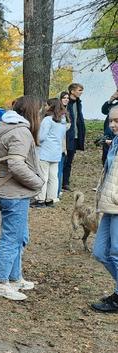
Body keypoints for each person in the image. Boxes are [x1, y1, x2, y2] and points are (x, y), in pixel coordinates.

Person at [0, 96, 44, 301]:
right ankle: (1, 282)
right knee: (12, 239)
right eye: (39, 112)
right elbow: (17, 164)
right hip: (13, 193)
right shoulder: (21, 132)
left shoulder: (6, 127)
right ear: (31, 112)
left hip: (10, 191)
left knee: (19, 237)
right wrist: (38, 183)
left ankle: (14, 277)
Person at [91, 106, 118, 313]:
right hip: (108, 204)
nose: (112, 125)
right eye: (111, 121)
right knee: (100, 251)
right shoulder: (115, 142)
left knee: (116, 251)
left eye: (117, 121)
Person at [34, 98, 68, 207]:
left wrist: (35, 140)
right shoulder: (63, 120)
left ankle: (40, 199)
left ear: (51, 106)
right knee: (53, 177)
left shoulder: (48, 120)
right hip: (56, 152)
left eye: (47, 105)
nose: (45, 107)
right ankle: (50, 198)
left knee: (43, 176)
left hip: (45, 151)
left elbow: (42, 136)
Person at [62, 83, 85, 192]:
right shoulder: (66, 103)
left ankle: (66, 182)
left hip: (75, 136)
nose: (81, 92)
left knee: (70, 160)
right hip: (67, 136)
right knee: (64, 159)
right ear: (72, 91)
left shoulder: (78, 103)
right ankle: (60, 181)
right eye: (79, 90)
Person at [57, 91, 71, 194]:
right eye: (64, 98)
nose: (66, 99)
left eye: (67, 98)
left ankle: (58, 189)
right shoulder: (58, 112)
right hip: (57, 143)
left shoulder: (66, 112)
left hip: (63, 142)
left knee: (61, 167)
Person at [100, 90, 118, 166]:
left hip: (115, 138)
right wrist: (111, 100)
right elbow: (104, 110)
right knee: (106, 160)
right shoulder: (114, 105)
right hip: (108, 135)